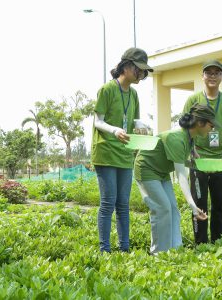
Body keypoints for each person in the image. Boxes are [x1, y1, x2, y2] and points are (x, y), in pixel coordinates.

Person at [91, 47, 153, 253]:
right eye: (139, 69)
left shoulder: (134, 94)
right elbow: (98, 121)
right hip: (106, 152)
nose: (142, 74)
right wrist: (114, 130)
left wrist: (142, 129)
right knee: (108, 202)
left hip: (124, 153)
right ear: (126, 66)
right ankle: (104, 250)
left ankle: (124, 249)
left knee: (123, 204)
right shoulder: (107, 89)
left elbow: (133, 121)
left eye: (144, 71)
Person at [134, 104, 218, 254]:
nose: (211, 130)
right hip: (147, 169)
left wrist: (195, 156)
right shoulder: (177, 138)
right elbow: (181, 176)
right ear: (200, 123)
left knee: (173, 209)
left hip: (161, 172)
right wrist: (193, 206)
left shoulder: (189, 138)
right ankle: (158, 253)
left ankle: (175, 251)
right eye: (211, 126)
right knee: (162, 208)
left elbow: (183, 158)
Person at [182, 59, 222, 244]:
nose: (212, 76)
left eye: (216, 73)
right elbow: (185, 128)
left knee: (220, 205)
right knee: (199, 203)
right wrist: (192, 150)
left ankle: (217, 242)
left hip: (220, 161)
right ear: (203, 76)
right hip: (198, 160)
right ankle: (200, 243)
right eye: (209, 73)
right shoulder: (193, 100)